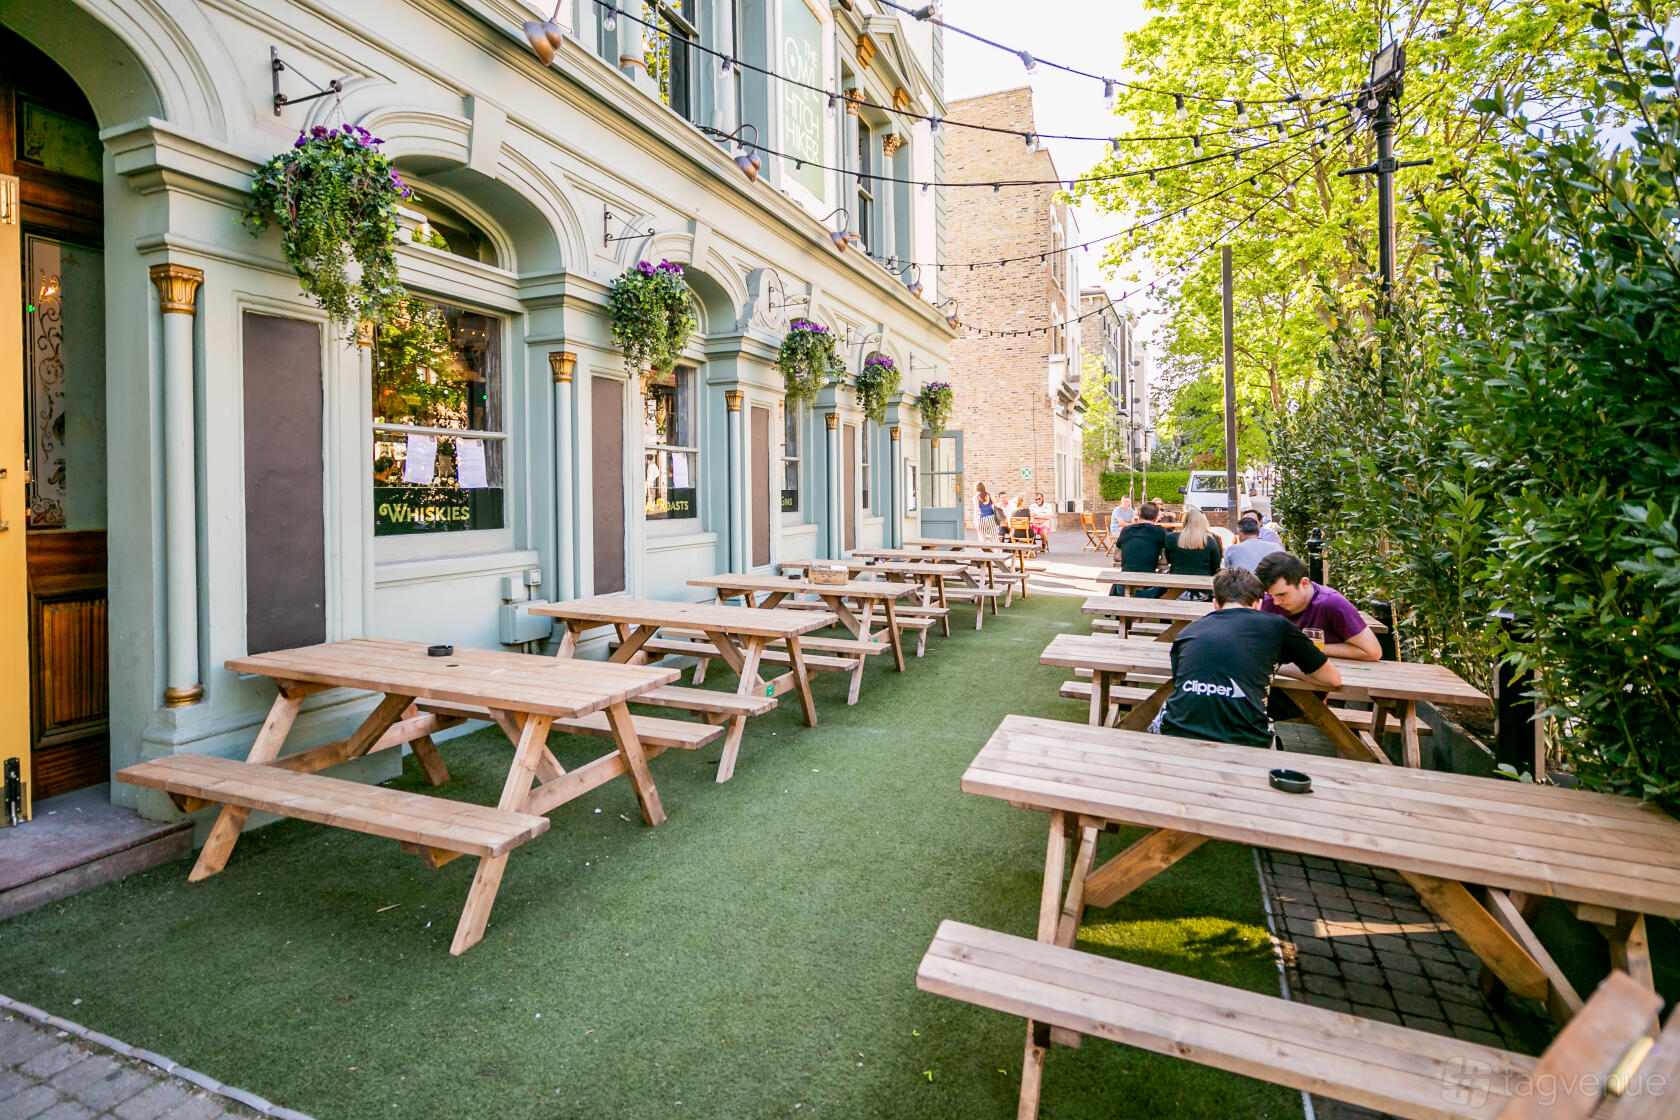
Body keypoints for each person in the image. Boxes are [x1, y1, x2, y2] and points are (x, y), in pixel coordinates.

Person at [1151, 567, 1343, 748]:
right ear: (1259, 604)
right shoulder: (1277, 626)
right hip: (1247, 740)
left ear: (1215, 603)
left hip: (1176, 732)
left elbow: (1181, 681)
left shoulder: (1190, 629)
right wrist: (1276, 668)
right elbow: (1332, 679)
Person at [1254, 552, 1382, 662]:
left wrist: (1307, 648)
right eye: (1271, 595)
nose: (1276, 602)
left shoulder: (1332, 603)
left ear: (1304, 583)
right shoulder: (1265, 601)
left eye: (1282, 594)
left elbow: (1372, 652)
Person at [1111, 500, 1168, 597]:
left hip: (1123, 588)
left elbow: (1116, 557)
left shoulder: (1126, 530)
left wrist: (1131, 558)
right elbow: (1164, 560)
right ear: (1156, 517)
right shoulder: (1160, 531)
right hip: (1148, 590)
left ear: (1139, 515)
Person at [1164, 508, 1224, 600]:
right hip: (1202, 589)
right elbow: (1215, 565)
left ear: (1185, 521)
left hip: (1176, 586)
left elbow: (1169, 559)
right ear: (1203, 521)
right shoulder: (1210, 540)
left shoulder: (1171, 538)